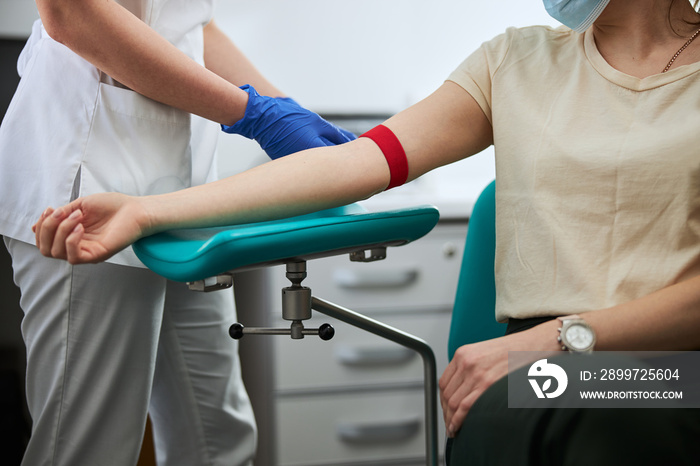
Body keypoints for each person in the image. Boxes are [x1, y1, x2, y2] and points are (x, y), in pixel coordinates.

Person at [32, 0, 700, 464]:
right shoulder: (516, 62)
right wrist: (149, 212)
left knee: (608, 420)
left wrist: (553, 341)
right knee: (508, 418)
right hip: (536, 367)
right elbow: (359, 163)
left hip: (670, 373)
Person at [0, 0, 356, 465]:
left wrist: (286, 110)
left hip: (183, 201)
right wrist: (252, 113)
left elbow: (191, 21)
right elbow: (71, 13)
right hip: (89, 179)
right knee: (89, 449)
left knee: (217, 438)